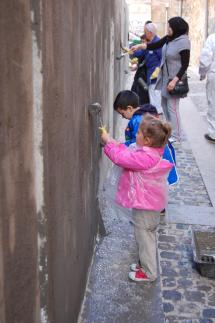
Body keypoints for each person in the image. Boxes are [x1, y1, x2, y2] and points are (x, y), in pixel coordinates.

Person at [100, 114, 173, 282]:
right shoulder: (150, 151)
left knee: (145, 236)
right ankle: (145, 264)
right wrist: (112, 142)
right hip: (148, 203)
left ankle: (149, 272)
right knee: (145, 235)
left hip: (146, 206)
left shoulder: (145, 157)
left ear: (147, 140)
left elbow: (122, 158)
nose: (136, 134)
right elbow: (127, 152)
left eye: (139, 132)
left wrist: (108, 142)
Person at [131, 16, 191, 143]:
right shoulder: (169, 38)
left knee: (172, 107)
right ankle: (170, 130)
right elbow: (154, 45)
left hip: (174, 80)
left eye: (169, 26)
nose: (168, 28)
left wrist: (175, 80)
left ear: (176, 27)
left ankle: (177, 135)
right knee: (164, 105)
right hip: (164, 79)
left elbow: (185, 64)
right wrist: (140, 47)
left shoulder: (184, 42)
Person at [113, 90, 178, 187]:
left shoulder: (138, 121)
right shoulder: (144, 115)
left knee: (154, 186)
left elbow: (137, 143)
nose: (123, 117)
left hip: (154, 161)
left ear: (129, 108)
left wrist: (119, 146)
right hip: (159, 156)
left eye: (122, 113)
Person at [132, 22, 163, 114]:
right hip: (150, 74)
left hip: (156, 75)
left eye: (145, 32)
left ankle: (157, 116)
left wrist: (158, 69)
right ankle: (155, 115)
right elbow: (142, 53)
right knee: (152, 95)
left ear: (150, 32)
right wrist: (132, 51)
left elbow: (163, 58)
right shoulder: (150, 42)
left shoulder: (157, 42)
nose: (144, 34)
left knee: (155, 95)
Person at [199, 33, 215, 143]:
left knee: (213, 103)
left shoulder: (212, 38)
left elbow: (206, 58)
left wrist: (202, 73)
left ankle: (213, 133)